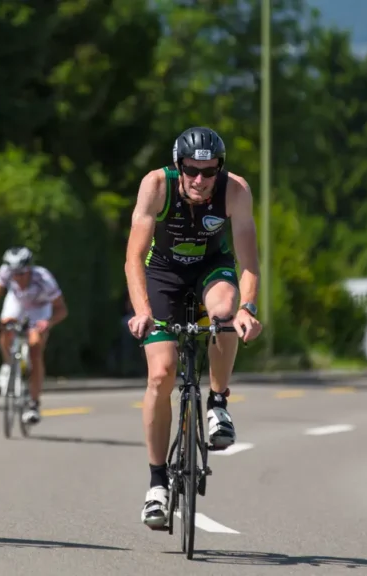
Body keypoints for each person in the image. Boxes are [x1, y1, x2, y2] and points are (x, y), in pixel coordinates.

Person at [124, 127, 263, 529]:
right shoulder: (155, 186)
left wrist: (248, 309)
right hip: (162, 273)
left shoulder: (235, 191)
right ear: (177, 166)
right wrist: (142, 310)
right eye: (191, 171)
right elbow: (133, 259)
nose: (200, 180)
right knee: (161, 374)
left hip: (211, 268)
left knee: (224, 313)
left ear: (220, 168)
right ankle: (156, 483)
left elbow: (248, 260)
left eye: (209, 171)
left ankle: (218, 403)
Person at [0, 246, 69, 424]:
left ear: (29, 269)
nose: (18, 278)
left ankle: (34, 404)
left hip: (40, 309)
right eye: (14, 274)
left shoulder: (44, 278)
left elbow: (62, 310)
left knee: (36, 349)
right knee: (6, 327)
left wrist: (48, 322)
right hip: (17, 303)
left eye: (21, 273)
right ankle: (7, 364)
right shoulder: (5, 272)